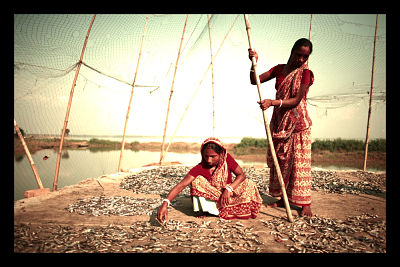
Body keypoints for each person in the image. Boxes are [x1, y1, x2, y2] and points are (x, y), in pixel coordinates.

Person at [248, 38, 314, 217]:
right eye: (298, 54)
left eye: (305, 56)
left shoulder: (306, 74)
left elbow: (296, 100)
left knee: (300, 165)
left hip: (298, 124)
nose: (301, 59)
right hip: (280, 121)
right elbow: (255, 81)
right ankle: (283, 198)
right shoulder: (279, 69)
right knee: (282, 162)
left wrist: (272, 102)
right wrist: (253, 63)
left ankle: (304, 203)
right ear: (292, 51)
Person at [157, 137, 263, 223]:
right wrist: (165, 204)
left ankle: (227, 209)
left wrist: (229, 189)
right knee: (196, 181)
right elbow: (181, 185)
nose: (209, 160)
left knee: (249, 183)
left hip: (228, 195)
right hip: (214, 197)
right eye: (206, 156)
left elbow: (241, 175)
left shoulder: (227, 159)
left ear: (221, 154)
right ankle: (207, 210)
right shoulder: (200, 167)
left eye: (213, 156)